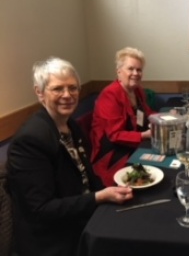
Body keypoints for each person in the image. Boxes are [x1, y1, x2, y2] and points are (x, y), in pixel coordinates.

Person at [6, 57, 133, 256]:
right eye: (57, 89)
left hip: (80, 217)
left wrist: (110, 190)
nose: (68, 95)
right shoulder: (30, 140)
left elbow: (87, 177)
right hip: (53, 239)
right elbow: (41, 210)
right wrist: (99, 197)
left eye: (73, 88)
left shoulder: (71, 126)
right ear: (39, 93)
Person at [91, 47, 156, 186]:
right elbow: (114, 135)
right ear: (119, 71)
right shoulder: (110, 95)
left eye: (139, 70)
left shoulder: (137, 90)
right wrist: (144, 135)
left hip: (135, 147)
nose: (135, 73)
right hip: (113, 155)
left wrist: (165, 117)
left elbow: (147, 113)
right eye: (130, 69)